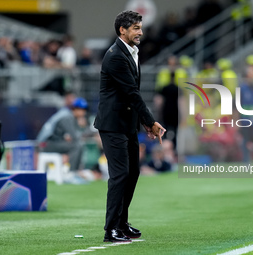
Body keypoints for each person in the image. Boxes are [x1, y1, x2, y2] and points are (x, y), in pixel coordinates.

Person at [93, 11, 166, 243]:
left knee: (133, 172)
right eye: (135, 28)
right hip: (113, 125)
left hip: (127, 124)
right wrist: (151, 122)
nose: (140, 32)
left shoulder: (131, 53)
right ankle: (110, 229)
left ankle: (122, 223)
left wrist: (142, 122)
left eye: (140, 27)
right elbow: (131, 93)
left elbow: (130, 96)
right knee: (120, 174)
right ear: (122, 30)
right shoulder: (115, 56)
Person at [37, 97, 88, 172]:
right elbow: (75, 136)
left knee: (76, 144)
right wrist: (82, 127)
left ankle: (75, 172)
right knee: (77, 145)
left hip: (50, 143)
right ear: (75, 109)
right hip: (46, 144)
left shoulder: (66, 113)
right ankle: (72, 173)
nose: (84, 113)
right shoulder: (67, 117)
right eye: (82, 110)